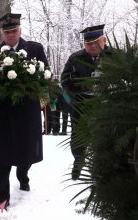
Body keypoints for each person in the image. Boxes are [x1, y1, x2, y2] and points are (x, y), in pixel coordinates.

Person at [0, 13, 48, 208]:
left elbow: (45, 73)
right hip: (0, 114)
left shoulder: (34, 49)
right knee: (1, 154)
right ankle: (2, 196)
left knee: (25, 150)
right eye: (7, 32)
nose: (11, 35)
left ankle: (23, 174)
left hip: (26, 113)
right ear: (2, 33)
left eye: (14, 31)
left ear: (20, 31)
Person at [61, 24, 110, 180]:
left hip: (107, 105)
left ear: (104, 40)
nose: (93, 46)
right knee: (78, 136)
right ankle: (78, 161)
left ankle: (103, 165)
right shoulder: (75, 58)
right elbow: (65, 80)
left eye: (96, 42)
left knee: (105, 135)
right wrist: (81, 85)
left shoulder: (115, 55)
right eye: (89, 43)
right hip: (82, 104)